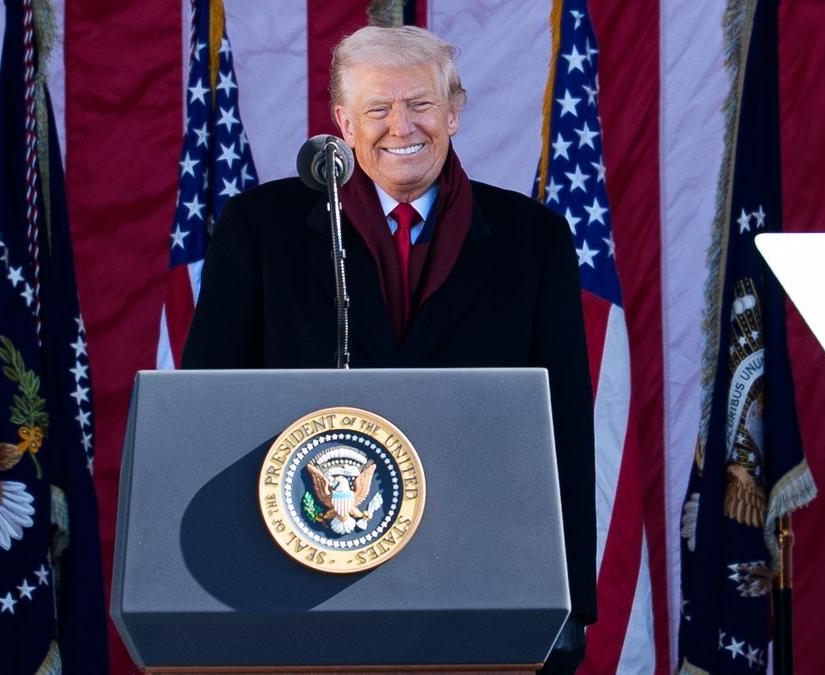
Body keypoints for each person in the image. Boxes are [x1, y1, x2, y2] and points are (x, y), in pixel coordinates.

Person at [181, 25, 595, 670]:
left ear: (454, 111)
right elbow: (207, 413)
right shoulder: (260, 231)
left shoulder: (532, 240)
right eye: (377, 109)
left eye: (420, 104)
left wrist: (569, 598)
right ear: (344, 123)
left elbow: (562, 426)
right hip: (299, 582)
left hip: (477, 584)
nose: (400, 126)